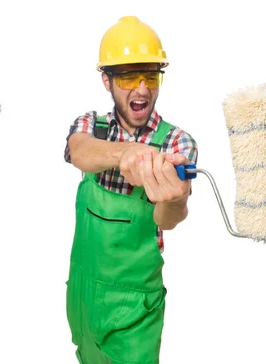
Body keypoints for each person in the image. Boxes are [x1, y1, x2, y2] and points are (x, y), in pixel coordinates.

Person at [64, 16, 198, 364]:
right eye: (127, 76)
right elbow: (78, 150)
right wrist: (127, 152)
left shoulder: (176, 142)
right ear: (106, 80)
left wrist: (175, 199)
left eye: (150, 75)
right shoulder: (92, 125)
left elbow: (168, 220)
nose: (141, 89)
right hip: (83, 296)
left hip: (134, 308)